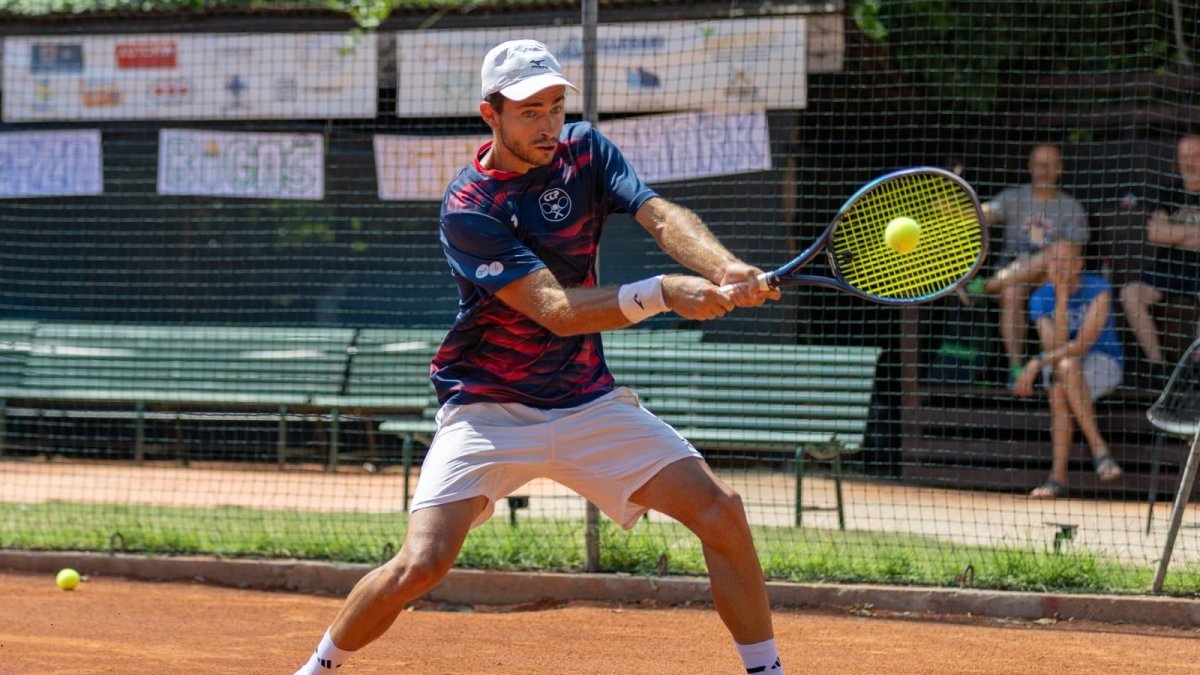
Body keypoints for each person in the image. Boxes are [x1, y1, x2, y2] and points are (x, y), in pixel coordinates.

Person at [294, 39, 785, 674]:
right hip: (489, 408)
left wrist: (726, 267)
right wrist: (665, 293)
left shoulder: (585, 150)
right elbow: (555, 309)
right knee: (422, 563)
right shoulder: (470, 208)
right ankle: (318, 667)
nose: (548, 122)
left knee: (722, 513)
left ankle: (766, 670)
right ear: (489, 114)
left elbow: (660, 217)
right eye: (529, 111)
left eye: (555, 105)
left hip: (586, 403)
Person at [965, 145, 1090, 390]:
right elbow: (984, 214)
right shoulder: (1014, 197)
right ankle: (1016, 369)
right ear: (1030, 166)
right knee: (1011, 292)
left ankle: (987, 286)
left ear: (1060, 168)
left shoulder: (1071, 206)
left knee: (1053, 251)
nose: (1044, 170)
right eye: (1039, 164)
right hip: (1014, 276)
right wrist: (955, 213)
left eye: (1050, 164)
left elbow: (1073, 252)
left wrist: (1049, 259)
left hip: (1052, 276)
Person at [1011, 240, 1124, 499]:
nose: (1058, 267)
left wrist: (1036, 362)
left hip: (1103, 362)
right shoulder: (1040, 297)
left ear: (1078, 264)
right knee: (1064, 376)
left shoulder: (1099, 289)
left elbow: (1083, 344)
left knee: (1065, 374)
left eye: (1065, 260)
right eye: (1053, 260)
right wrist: (1061, 299)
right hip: (1063, 366)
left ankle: (1056, 478)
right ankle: (1100, 451)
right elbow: (1056, 345)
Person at [1119, 134, 1200, 384]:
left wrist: (1173, 232)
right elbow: (1154, 234)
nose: (1190, 162)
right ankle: (1157, 367)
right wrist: (1191, 233)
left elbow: (1165, 232)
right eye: (1184, 156)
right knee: (1130, 293)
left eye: (1196, 155)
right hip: (1170, 268)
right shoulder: (1169, 191)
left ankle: (1197, 367)